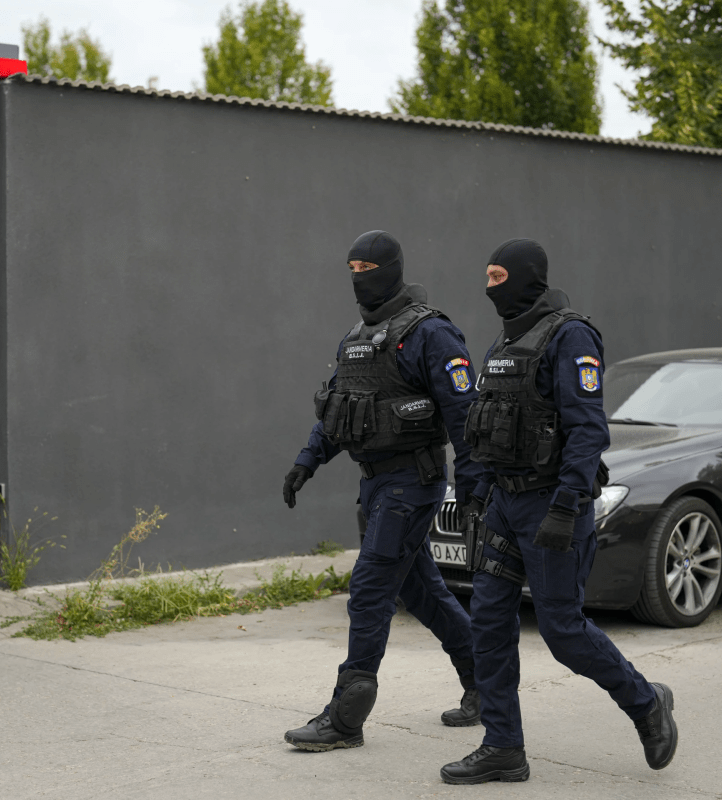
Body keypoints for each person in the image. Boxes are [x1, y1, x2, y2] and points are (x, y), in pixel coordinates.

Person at [439, 238, 678, 785]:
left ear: (526, 277)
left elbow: (588, 430)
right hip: (504, 504)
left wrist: (568, 507)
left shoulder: (570, 335)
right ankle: (503, 746)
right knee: (490, 624)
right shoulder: (506, 340)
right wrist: (475, 494)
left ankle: (646, 704)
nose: (488, 286)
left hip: (552, 505)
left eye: (497, 275)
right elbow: (483, 424)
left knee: (563, 631)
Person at [281, 230, 487, 752]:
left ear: (391, 270)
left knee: (370, 590)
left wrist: (471, 487)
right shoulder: (357, 337)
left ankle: (346, 718)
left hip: (411, 482)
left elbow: (466, 418)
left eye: (366, 268)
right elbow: (337, 409)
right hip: (374, 486)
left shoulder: (431, 333)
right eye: (351, 267)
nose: (358, 278)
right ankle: (486, 684)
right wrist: (307, 461)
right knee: (421, 591)